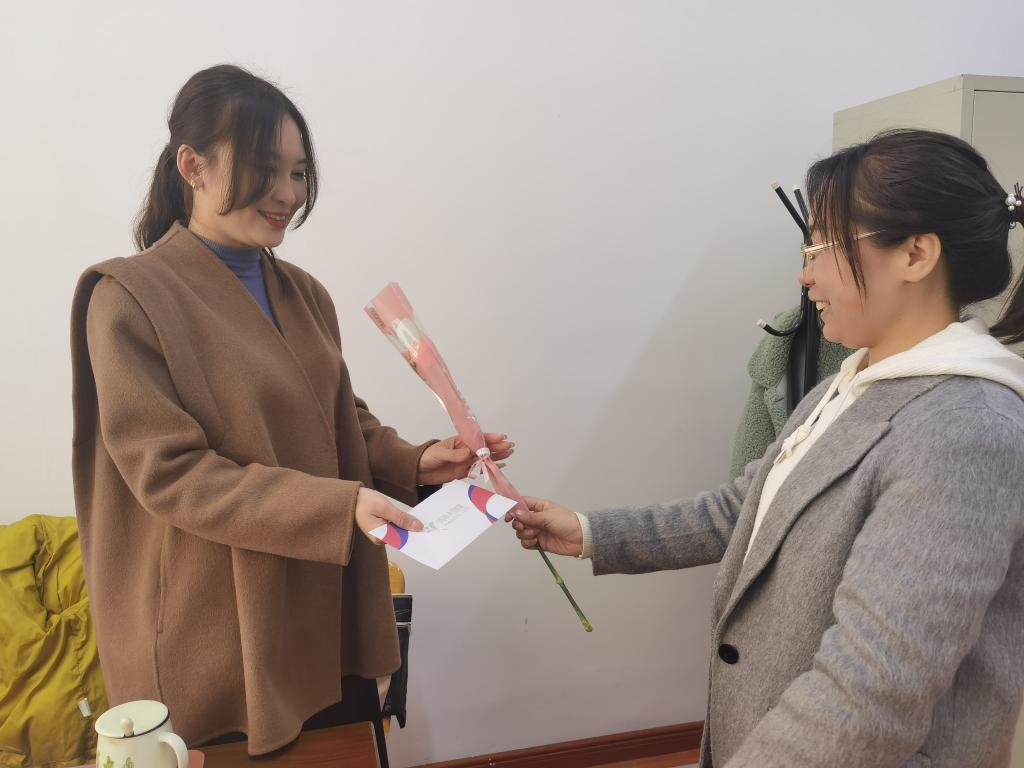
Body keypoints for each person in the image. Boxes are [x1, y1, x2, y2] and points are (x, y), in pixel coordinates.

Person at [512, 129, 1024, 767]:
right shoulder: (847, 387)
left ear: (916, 254)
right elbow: (747, 508)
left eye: (821, 247)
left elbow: (870, 691)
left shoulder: (964, 429)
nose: (805, 275)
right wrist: (590, 532)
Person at [69, 64, 513, 756]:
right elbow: (172, 474)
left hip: (321, 605)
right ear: (192, 166)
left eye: (298, 173)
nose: (287, 193)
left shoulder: (304, 292)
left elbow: (338, 419)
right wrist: (341, 507)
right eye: (263, 169)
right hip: (217, 628)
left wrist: (417, 461)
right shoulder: (127, 299)